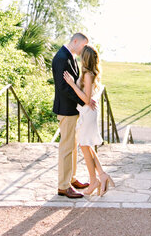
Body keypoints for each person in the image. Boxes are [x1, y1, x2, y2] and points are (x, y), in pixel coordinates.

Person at [64, 44, 115, 196]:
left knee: (84, 145)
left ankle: (94, 181)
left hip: (88, 112)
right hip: (88, 112)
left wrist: (72, 84)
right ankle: (101, 175)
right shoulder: (89, 73)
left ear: (84, 58)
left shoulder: (88, 75)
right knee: (87, 146)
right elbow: (89, 97)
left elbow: (86, 99)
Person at [52, 32, 95, 199]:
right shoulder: (62, 57)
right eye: (83, 46)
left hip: (72, 109)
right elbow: (64, 87)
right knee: (66, 148)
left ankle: (71, 178)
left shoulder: (70, 56)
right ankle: (63, 186)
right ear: (75, 41)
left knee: (73, 146)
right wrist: (84, 100)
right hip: (66, 110)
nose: (84, 50)